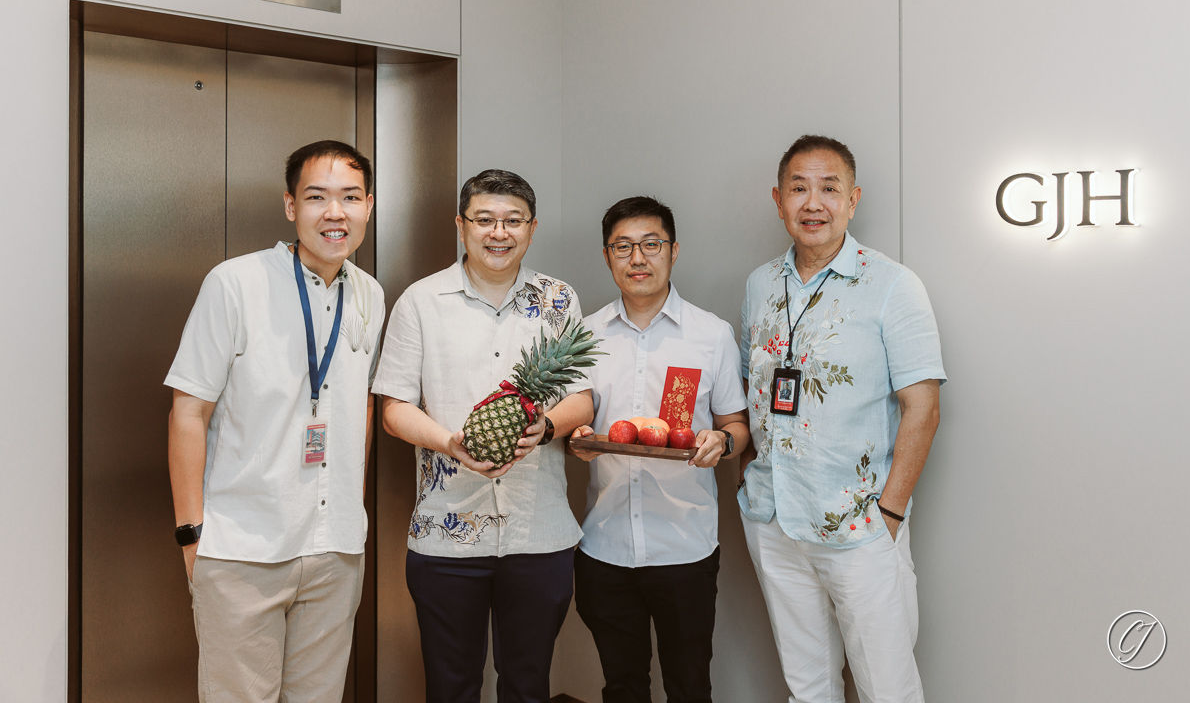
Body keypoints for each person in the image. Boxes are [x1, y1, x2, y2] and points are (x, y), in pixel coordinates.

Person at [166, 140, 384, 702]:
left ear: (369, 207)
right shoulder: (235, 283)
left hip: (335, 550)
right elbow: (189, 412)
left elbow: (358, 401)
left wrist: (351, 505)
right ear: (291, 206)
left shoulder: (370, 293)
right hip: (242, 548)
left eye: (349, 198)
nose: (334, 213)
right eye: (317, 197)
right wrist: (193, 537)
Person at [372, 169, 595, 703]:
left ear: (532, 228)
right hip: (445, 535)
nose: (499, 232)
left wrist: (545, 428)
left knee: (527, 685)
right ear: (461, 225)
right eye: (485, 220)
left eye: (513, 221)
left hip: (538, 534)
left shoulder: (558, 299)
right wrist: (449, 442)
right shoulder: (421, 301)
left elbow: (582, 398)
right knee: (451, 688)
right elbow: (393, 407)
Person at [739, 136, 945, 703]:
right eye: (799, 189)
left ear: (853, 200)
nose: (814, 203)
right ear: (778, 200)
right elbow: (757, 391)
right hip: (773, 516)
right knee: (808, 683)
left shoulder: (894, 286)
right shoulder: (760, 284)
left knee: (888, 687)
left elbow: (922, 406)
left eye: (829, 189)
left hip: (859, 523)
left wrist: (891, 512)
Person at [569, 196, 751, 703]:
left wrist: (724, 440)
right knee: (621, 686)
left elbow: (738, 425)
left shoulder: (711, 335)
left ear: (674, 252)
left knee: (690, 684)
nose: (638, 258)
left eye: (652, 244)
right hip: (604, 544)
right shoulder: (584, 335)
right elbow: (574, 420)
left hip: (685, 547)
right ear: (607, 257)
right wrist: (575, 441)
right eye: (622, 247)